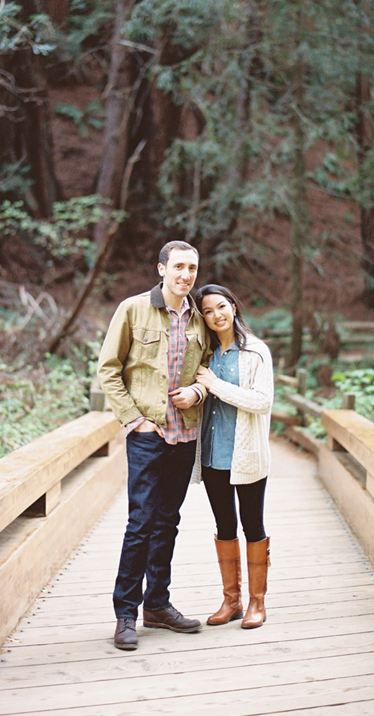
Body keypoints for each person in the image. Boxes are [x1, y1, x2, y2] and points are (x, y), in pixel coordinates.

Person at [97, 240, 211, 651]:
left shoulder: (200, 319)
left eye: (192, 268)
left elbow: (206, 373)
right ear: (161, 269)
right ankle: (125, 614)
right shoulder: (132, 309)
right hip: (148, 436)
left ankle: (157, 605)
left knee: (168, 521)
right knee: (140, 522)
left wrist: (197, 394)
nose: (186, 275)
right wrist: (134, 421)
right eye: (178, 266)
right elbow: (109, 370)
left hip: (185, 435)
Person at [190, 283, 275, 629]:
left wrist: (214, 385)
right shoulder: (205, 354)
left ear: (234, 308)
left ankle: (258, 602)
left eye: (221, 307)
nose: (216, 316)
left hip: (248, 455)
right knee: (224, 526)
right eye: (207, 311)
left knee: (253, 526)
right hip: (213, 456)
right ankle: (231, 600)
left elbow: (262, 401)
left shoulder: (256, 352)